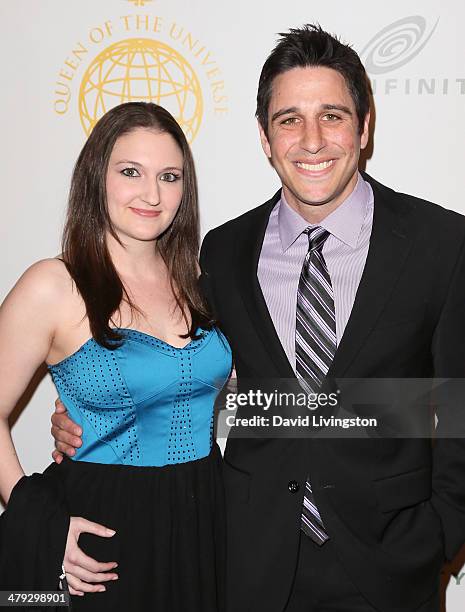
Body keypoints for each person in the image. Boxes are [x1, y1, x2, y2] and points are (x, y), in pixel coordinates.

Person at [51, 25, 465, 612]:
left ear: (364, 127)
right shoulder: (221, 251)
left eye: (333, 115)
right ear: (265, 139)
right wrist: (94, 406)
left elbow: (459, 404)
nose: (312, 140)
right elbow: (189, 371)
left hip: (393, 564)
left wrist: (442, 534)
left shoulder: (441, 243)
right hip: (244, 560)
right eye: (289, 119)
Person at [0, 102, 232, 611]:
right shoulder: (53, 285)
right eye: (131, 172)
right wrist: (37, 520)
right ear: (95, 178)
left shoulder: (200, 282)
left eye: (169, 177)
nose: (152, 194)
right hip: (100, 532)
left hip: (202, 517)